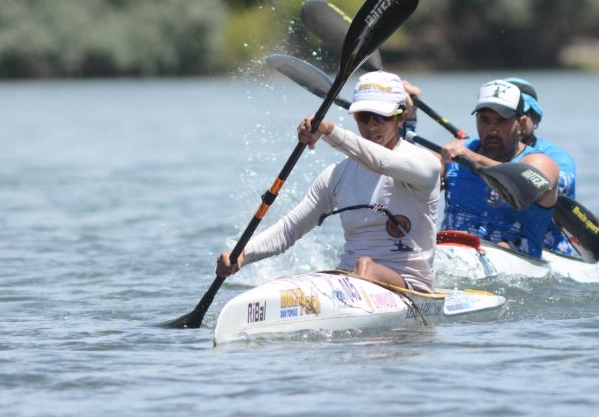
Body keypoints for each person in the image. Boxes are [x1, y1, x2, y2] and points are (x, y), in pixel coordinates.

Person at [216, 70, 441, 292]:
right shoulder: (336, 176)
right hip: (351, 279)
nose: (372, 126)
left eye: (382, 116)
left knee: (365, 266)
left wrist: (328, 130)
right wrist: (243, 253)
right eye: (364, 116)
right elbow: (289, 230)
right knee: (292, 283)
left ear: (402, 116)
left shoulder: (425, 165)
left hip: (410, 287)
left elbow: (381, 162)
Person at [438, 79, 559, 259]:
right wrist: (403, 117)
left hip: (515, 267)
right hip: (449, 256)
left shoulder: (540, 162)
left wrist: (475, 158)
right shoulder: (453, 154)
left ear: (521, 122)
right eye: (484, 120)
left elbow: (526, 184)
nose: (492, 129)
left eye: (501, 121)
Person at [503, 77, 578, 256]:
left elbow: (548, 184)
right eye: (507, 115)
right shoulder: (474, 148)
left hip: (547, 250)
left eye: (523, 113)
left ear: (534, 117)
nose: (517, 120)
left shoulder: (555, 156)